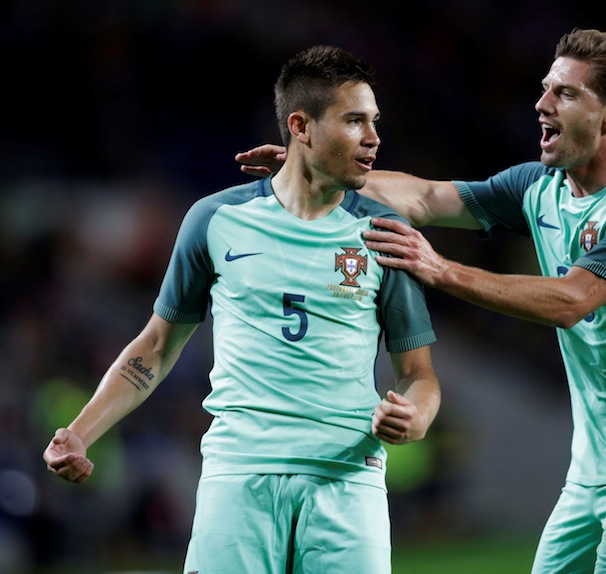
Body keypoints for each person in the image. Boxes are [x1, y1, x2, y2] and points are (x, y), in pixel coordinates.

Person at [235, 28, 606, 574]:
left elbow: (573, 300)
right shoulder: (540, 187)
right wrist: (316, 166)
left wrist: (441, 269)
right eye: (546, 88)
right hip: (591, 465)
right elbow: (423, 196)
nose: (541, 104)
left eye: (564, 94)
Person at [43, 45, 441, 574]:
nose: (373, 137)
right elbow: (157, 346)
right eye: (354, 121)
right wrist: (80, 431)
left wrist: (417, 415)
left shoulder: (387, 233)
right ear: (300, 126)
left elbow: (420, 374)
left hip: (347, 480)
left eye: (374, 121)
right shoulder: (215, 219)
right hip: (239, 476)